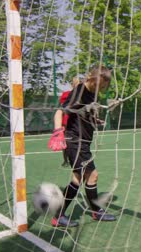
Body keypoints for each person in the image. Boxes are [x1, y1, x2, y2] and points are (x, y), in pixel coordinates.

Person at [48, 66, 116, 227]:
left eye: (103, 86)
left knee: (78, 179)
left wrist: (95, 120)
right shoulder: (79, 92)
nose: (99, 89)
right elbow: (60, 111)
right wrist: (58, 131)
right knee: (92, 175)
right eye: (97, 85)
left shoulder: (92, 93)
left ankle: (60, 215)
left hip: (83, 141)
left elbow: (83, 114)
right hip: (75, 141)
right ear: (90, 78)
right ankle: (95, 211)